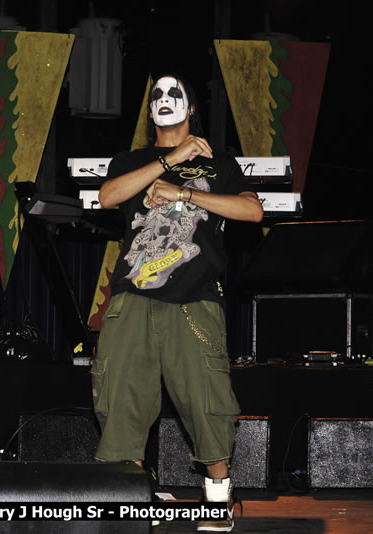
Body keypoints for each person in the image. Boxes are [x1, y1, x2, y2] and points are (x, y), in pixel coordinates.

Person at [92, 75, 263, 532]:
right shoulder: (130, 161)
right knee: (122, 401)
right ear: (150, 112)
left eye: (175, 95)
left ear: (191, 109)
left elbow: (253, 211)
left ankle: (217, 500)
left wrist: (182, 191)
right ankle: (124, 502)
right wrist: (169, 160)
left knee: (207, 400)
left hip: (194, 300)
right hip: (132, 299)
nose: (165, 101)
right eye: (157, 97)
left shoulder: (219, 162)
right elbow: (108, 197)